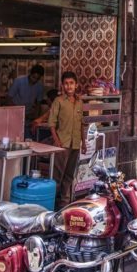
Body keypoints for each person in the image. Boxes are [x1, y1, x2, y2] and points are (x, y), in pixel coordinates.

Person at [48, 71, 86, 208]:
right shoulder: (58, 101)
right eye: (66, 84)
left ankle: (63, 204)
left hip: (75, 144)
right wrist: (56, 141)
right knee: (57, 176)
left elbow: (81, 123)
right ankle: (51, 204)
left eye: (71, 83)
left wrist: (83, 141)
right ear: (62, 86)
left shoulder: (80, 102)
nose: (69, 86)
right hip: (62, 144)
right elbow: (51, 123)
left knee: (69, 176)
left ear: (76, 85)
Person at [7, 64, 44, 138]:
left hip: (28, 117)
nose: (34, 80)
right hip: (14, 114)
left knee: (28, 139)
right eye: (33, 77)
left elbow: (38, 104)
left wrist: (36, 119)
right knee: (14, 137)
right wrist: (18, 112)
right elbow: (8, 98)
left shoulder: (39, 86)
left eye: (37, 79)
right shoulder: (19, 81)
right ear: (30, 73)